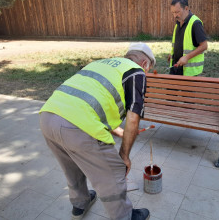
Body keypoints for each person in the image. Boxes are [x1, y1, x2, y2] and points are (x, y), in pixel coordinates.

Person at [39, 42, 155, 220]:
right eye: (148, 69)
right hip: (77, 127)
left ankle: (80, 204)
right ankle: (125, 217)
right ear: (145, 64)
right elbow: (133, 117)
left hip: (48, 117)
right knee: (113, 172)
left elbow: (92, 100)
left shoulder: (101, 63)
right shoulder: (136, 71)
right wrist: (124, 156)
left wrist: (117, 131)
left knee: (71, 166)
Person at [168, 0, 208, 76]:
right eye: (173, 12)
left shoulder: (195, 23)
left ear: (186, 8)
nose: (175, 16)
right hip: (175, 67)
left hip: (189, 72)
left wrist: (186, 57)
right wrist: (172, 54)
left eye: (177, 12)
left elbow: (204, 46)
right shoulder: (178, 22)